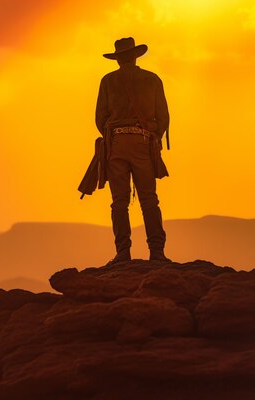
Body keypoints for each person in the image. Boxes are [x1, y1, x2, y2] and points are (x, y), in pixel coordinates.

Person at [95, 37, 171, 264]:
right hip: (143, 144)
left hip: (116, 146)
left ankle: (122, 253)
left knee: (119, 201)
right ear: (136, 56)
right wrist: (152, 136)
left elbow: (100, 119)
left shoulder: (108, 81)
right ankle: (157, 253)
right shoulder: (152, 80)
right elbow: (164, 117)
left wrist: (115, 132)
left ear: (118, 59)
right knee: (149, 199)